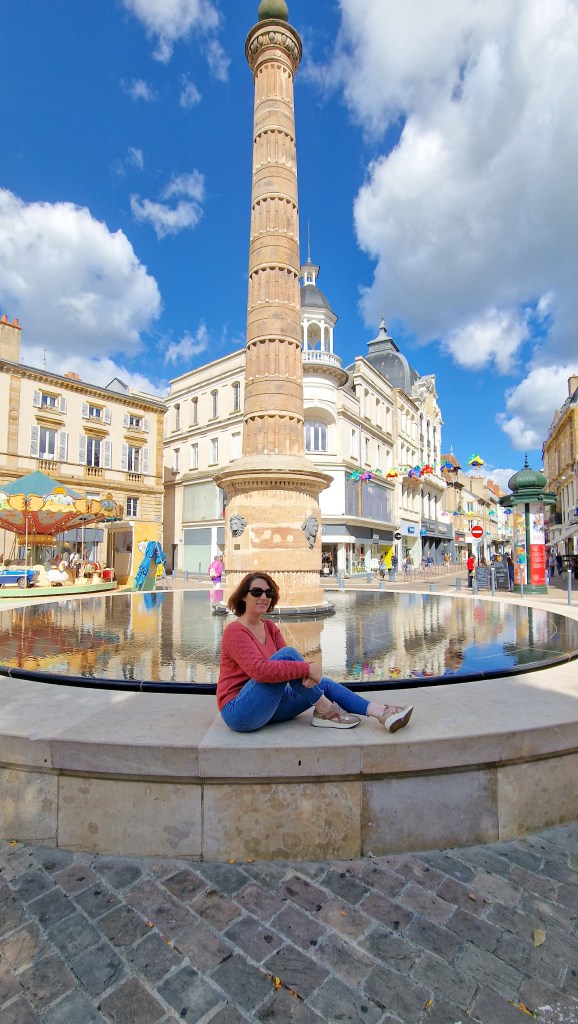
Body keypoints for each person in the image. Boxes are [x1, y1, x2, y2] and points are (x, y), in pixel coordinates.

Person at [217, 572, 413, 734]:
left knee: (323, 684)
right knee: (289, 655)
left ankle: (381, 712)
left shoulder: (269, 627)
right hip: (239, 712)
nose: (263, 597)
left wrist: (307, 671)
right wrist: (308, 669)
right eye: (256, 592)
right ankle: (325, 709)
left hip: (268, 707)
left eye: (268, 592)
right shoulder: (235, 631)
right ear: (243, 596)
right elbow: (261, 671)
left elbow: (290, 667)